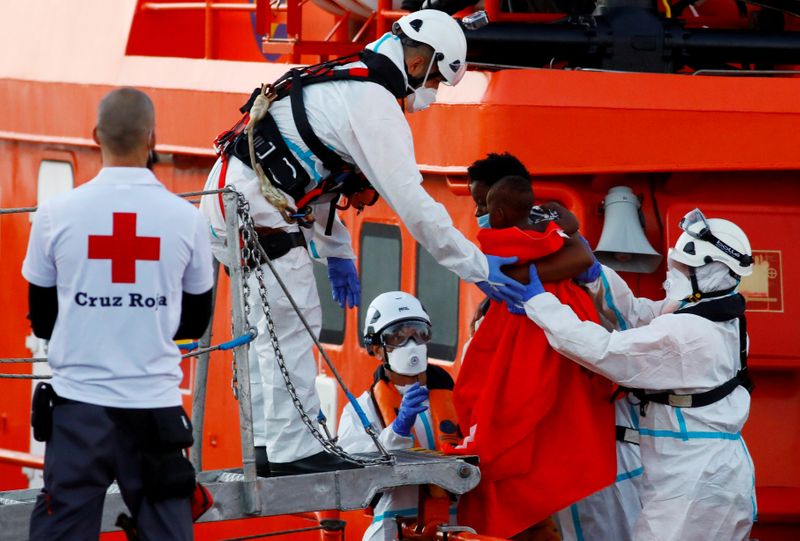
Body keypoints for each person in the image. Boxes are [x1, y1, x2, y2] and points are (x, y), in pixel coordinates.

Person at [200, 10, 521, 476]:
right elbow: (414, 206)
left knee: (272, 333)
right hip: (253, 209)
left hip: (232, 202)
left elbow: (321, 174)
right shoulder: (375, 105)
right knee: (292, 322)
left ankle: (270, 445)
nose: (430, 92)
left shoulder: (349, 82)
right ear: (420, 63)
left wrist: (338, 253)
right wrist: (479, 268)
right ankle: (292, 450)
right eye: (434, 78)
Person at [22, 88, 214, 540]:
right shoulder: (185, 219)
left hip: (77, 414)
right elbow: (195, 320)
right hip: (155, 413)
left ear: (94, 136)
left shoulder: (54, 215)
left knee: (62, 527)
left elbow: (43, 318)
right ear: (152, 138)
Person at [521, 208, 757, 541]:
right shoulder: (723, 316)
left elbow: (603, 351)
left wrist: (538, 303)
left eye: (681, 267)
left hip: (693, 484)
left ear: (708, 273)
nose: (670, 273)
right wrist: (593, 274)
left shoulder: (688, 334)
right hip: (716, 473)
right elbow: (640, 314)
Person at [450, 175, 617, 540]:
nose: (477, 215)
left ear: (500, 208)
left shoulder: (511, 255)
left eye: (481, 205)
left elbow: (580, 255)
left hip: (567, 435)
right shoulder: (550, 234)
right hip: (583, 437)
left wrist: (519, 277)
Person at [338, 291, 461, 541]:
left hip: (456, 527)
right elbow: (356, 478)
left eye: (419, 334)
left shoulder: (457, 400)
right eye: (398, 338)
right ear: (377, 349)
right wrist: (397, 432)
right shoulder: (360, 411)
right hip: (393, 531)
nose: (412, 345)